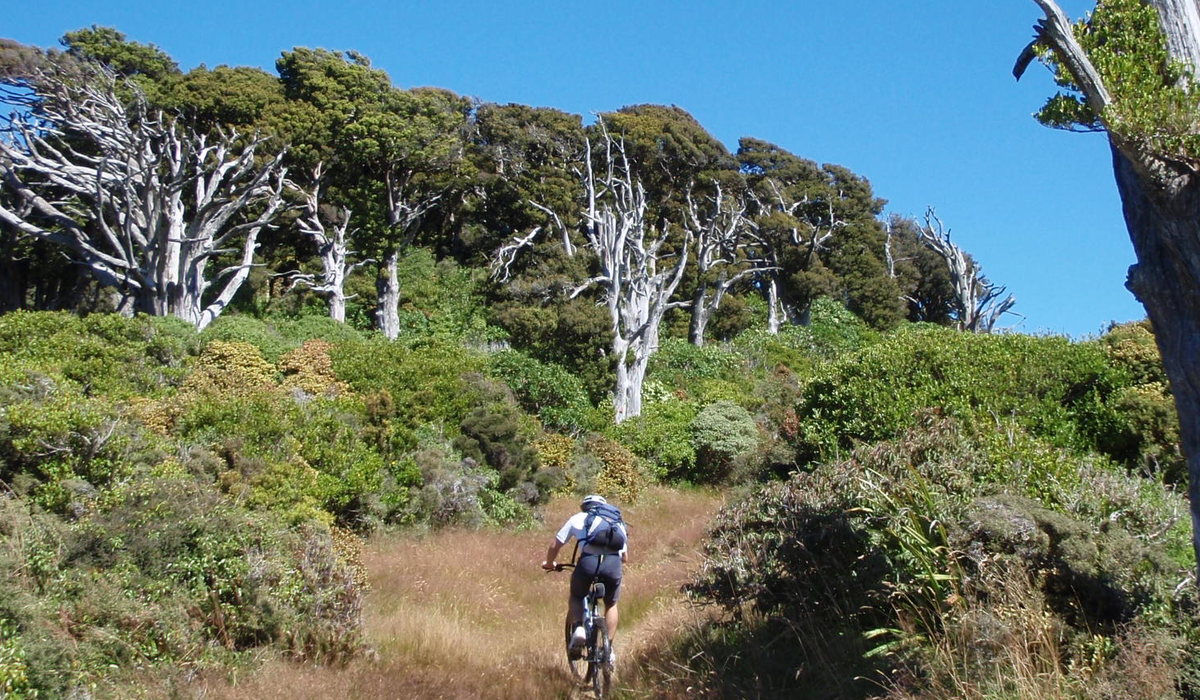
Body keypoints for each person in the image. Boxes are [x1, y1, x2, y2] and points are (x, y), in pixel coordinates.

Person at [541, 494, 628, 665]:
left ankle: (579, 627)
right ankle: (607, 649)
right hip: (612, 564)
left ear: (584, 507)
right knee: (611, 603)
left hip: (588, 562)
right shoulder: (616, 521)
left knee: (577, 595)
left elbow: (555, 545)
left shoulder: (578, 519)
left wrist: (550, 563)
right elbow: (625, 557)